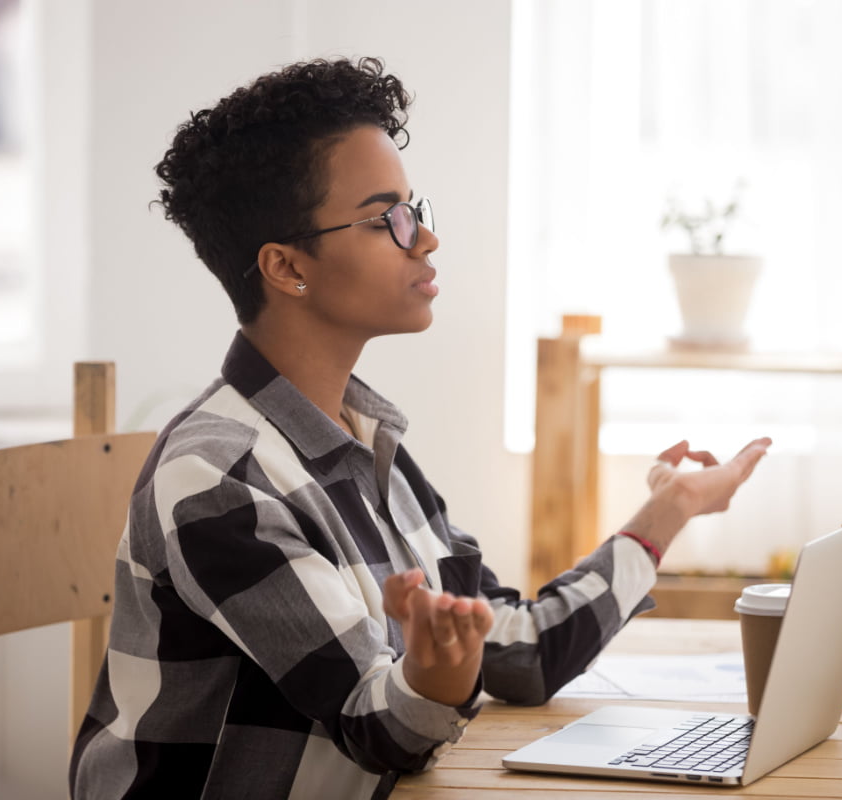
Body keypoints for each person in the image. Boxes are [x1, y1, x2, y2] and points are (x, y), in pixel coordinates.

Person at [68, 57, 771, 800]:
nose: (425, 240)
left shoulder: (365, 444)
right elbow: (381, 727)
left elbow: (521, 651)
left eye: (415, 209)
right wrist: (435, 677)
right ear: (285, 267)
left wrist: (671, 510)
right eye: (386, 220)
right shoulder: (220, 478)